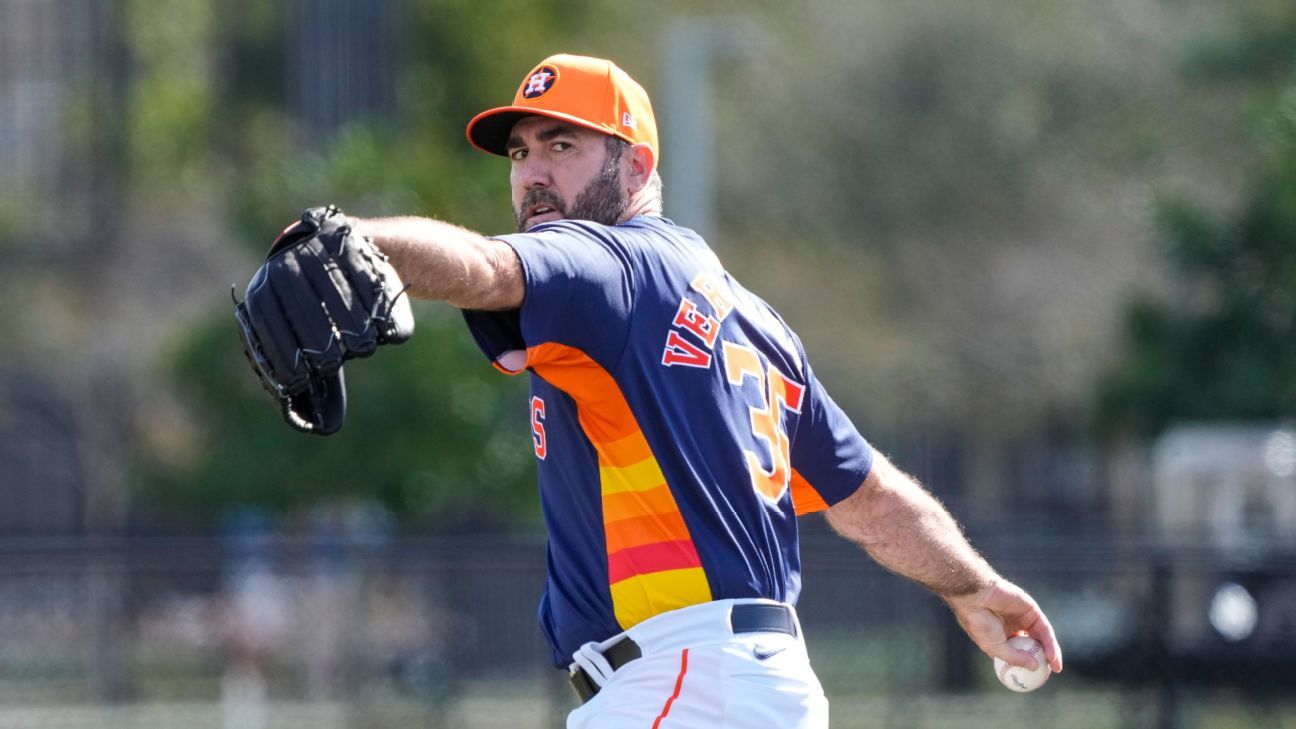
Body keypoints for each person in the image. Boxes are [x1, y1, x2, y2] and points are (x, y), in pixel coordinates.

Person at [350, 53, 1062, 728]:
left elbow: (484, 265)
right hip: (749, 684)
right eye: (521, 153)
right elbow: (871, 498)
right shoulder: (752, 321)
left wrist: (353, 243)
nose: (533, 173)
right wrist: (971, 585)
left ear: (638, 166)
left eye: (562, 146)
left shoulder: (616, 265)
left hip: (683, 680)